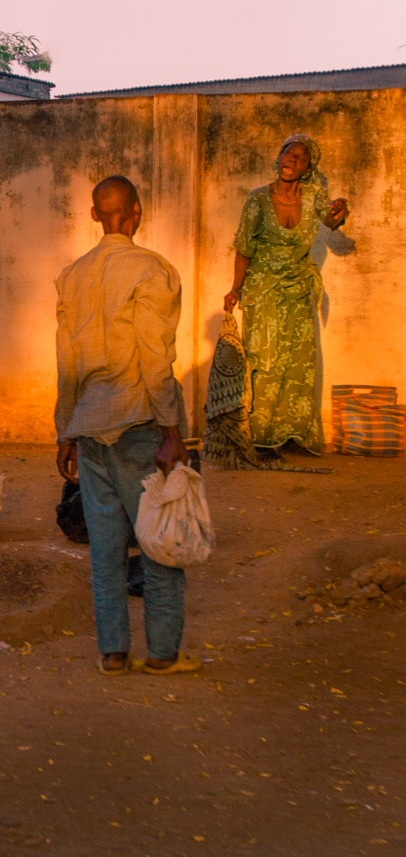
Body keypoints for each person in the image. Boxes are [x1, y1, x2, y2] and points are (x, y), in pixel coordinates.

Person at [55, 176, 198, 677]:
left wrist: (65, 431)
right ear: (136, 212)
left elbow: (67, 363)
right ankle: (162, 654)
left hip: (91, 429)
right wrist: (173, 430)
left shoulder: (72, 277)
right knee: (159, 544)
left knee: (106, 551)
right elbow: (156, 358)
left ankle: (113, 653)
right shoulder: (152, 271)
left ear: (97, 215)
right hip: (140, 425)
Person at [223, 134, 350, 454]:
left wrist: (339, 211)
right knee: (262, 363)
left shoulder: (312, 196)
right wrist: (235, 288)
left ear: (307, 168)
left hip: (298, 289)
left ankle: (294, 434)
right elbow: (244, 248)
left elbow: (331, 220)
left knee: (299, 363)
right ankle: (261, 435)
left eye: (300, 158)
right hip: (264, 290)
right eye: (287, 154)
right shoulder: (257, 199)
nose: (291, 160)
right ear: (277, 159)